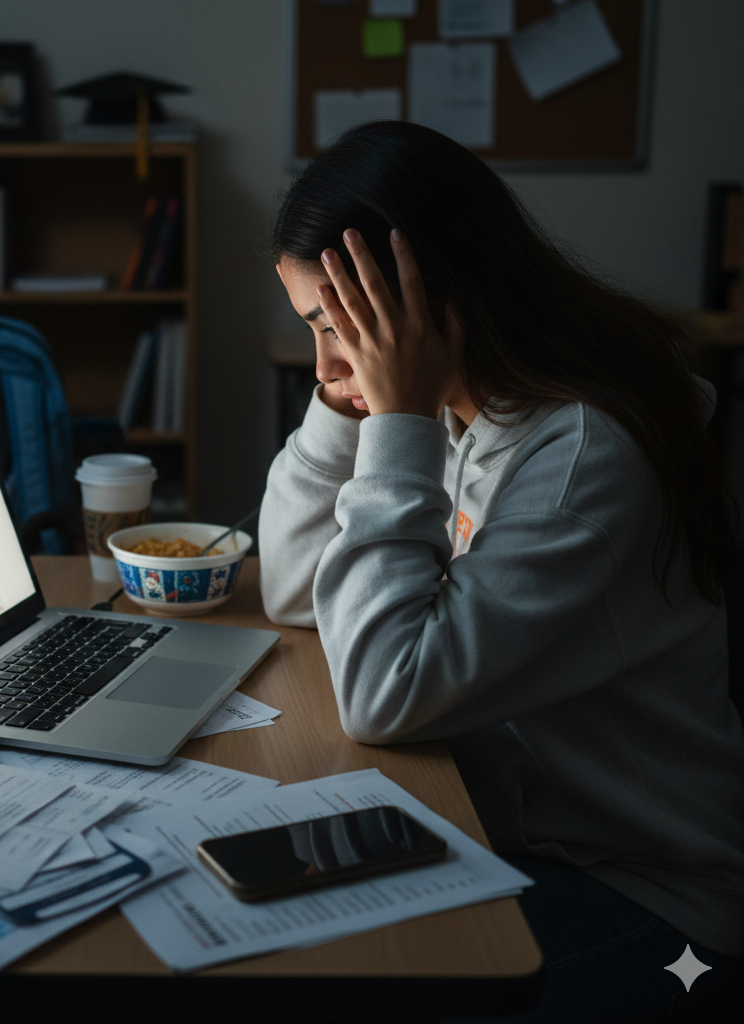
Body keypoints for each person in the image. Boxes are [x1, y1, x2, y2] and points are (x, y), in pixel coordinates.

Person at [259, 121, 744, 1023]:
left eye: (341, 328)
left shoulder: (584, 455)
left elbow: (385, 691)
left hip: (657, 905)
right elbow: (293, 592)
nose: (323, 364)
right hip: (509, 836)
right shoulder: (459, 405)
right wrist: (350, 404)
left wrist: (393, 419)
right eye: (313, 328)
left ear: (436, 297)